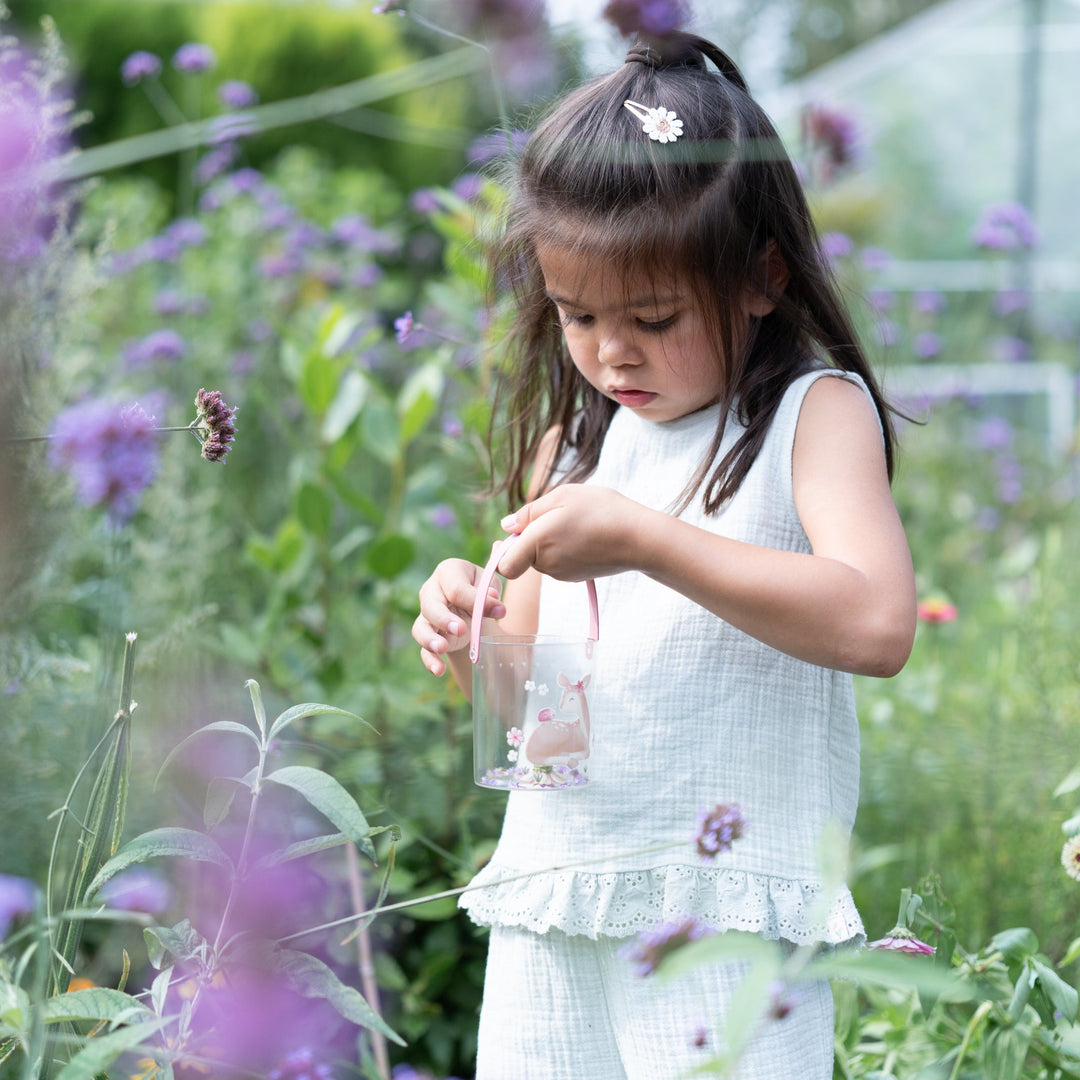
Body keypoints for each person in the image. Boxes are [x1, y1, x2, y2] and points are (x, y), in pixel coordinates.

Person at [412, 29, 915, 1080]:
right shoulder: (578, 444)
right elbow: (538, 733)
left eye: (651, 317)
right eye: (577, 315)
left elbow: (875, 624)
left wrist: (647, 540)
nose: (608, 353)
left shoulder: (807, 419)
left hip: (727, 911)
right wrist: (475, 632)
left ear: (760, 278)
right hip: (561, 896)